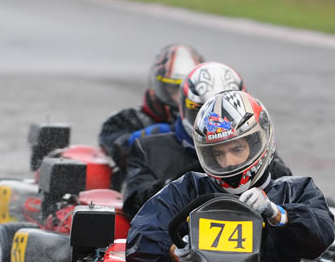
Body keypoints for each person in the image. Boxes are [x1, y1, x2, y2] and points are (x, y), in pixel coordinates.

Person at [125, 91, 335, 262]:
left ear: (258, 141)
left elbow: (322, 234)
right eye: (218, 153)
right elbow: (140, 235)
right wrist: (173, 251)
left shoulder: (292, 191)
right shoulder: (188, 189)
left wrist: (276, 213)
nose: (228, 163)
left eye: (237, 149)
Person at [121, 61, 293, 216]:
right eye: (205, 112)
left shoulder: (260, 156)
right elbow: (134, 206)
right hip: (177, 241)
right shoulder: (148, 148)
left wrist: (273, 211)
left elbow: (293, 204)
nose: (216, 123)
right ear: (185, 108)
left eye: (237, 149)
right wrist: (183, 184)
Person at [97, 43, 204, 185]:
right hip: (143, 192)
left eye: (189, 90)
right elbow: (113, 145)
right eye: (174, 89)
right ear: (158, 87)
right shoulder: (127, 119)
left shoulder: (208, 124)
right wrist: (143, 139)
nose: (182, 97)